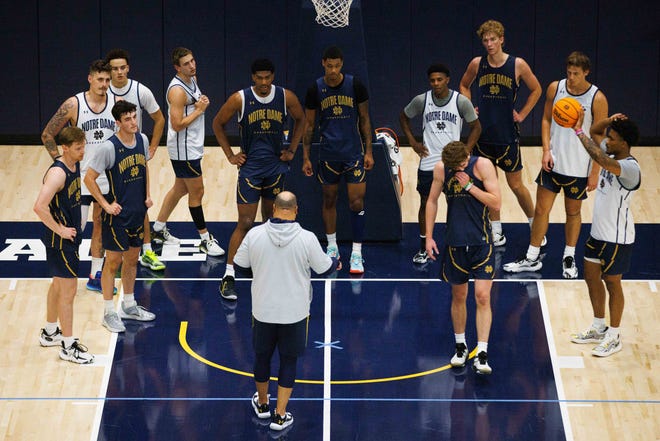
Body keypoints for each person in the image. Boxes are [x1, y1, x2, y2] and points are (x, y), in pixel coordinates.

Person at [233, 191, 339, 431]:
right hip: (295, 313)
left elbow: (239, 265)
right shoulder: (307, 238)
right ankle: (279, 416)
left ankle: (262, 405)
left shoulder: (255, 235)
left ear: (273, 209)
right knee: (288, 362)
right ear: (296, 210)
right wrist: (335, 263)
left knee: (262, 358)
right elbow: (324, 269)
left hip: (263, 311)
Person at [503, 51, 608, 278]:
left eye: (576, 74)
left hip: (579, 168)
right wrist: (546, 150)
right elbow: (546, 119)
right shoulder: (555, 88)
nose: (571, 77)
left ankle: (568, 257)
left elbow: (599, 139)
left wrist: (595, 172)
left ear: (586, 72)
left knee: (573, 213)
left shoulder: (597, 99)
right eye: (569, 73)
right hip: (554, 163)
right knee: (541, 210)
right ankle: (532, 257)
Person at [212, 58, 305, 301]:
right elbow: (217, 124)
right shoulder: (240, 98)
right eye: (259, 78)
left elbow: (302, 119)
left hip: (275, 168)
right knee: (245, 222)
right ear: (253, 78)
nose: (264, 82)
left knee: (271, 222)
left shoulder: (286, 97)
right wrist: (230, 155)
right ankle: (229, 275)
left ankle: (268, 268)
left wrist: (293, 150)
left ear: (272, 77)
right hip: (251, 170)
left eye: (267, 77)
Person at [459, 19, 542, 246]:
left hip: (507, 135)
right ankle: (496, 230)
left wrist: (523, 114)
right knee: (488, 185)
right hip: (483, 135)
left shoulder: (518, 65)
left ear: (501, 39)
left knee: (516, 186)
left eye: (493, 39)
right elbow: (464, 85)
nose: (489, 43)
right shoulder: (477, 63)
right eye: (485, 40)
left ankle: (536, 226)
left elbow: (536, 89)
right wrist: (469, 109)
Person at [41, 59, 117, 293]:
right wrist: (61, 163)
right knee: (77, 228)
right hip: (80, 177)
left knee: (101, 227)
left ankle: (95, 275)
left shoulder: (117, 102)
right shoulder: (74, 104)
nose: (104, 84)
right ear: (90, 78)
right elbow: (47, 134)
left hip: (107, 175)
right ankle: (62, 273)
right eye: (100, 79)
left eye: (107, 80)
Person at [425, 141, 501, 374]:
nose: (464, 165)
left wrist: (470, 186)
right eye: (460, 165)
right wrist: (428, 237)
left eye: (466, 160)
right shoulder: (441, 169)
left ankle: (482, 352)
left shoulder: (483, 165)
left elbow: (496, 202)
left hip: (481, 241)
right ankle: (460, 346)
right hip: (455, 242)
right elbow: (432, 201)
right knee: (458, 296)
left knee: (482, 297)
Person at [570, 111, 640, 357]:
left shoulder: (629, 168)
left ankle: (614, 334)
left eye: (612, 138)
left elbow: (597, 153)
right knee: (591, 278)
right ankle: (599, 326)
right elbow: (595, 133)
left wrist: (577, 131)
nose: (607, 140)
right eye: (608, 137)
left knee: (613, 283)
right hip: (597, 233)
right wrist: (611, 121)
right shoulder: (610, 151)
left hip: (617, 238)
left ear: (624, 142)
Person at [84, 100, 157, 333]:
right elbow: (89, 178)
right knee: (113, 263)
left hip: (137, 213)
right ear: (117, 123)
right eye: (127, 119)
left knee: (133, 260)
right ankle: (108, 312)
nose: (133, 122)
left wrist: (147, 195)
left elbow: (144, 168)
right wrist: (105, 205)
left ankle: (129, 305)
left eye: (134, 117)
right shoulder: (108, 147)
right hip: (117, 217)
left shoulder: (143, 140)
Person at [400, 63, 481, 264]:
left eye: (439, 79)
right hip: (429, 161)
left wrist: (466, 150)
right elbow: (403, 117)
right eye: (432, 80)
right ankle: (423, 246)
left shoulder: (460, 102)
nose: (436, 83)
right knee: (426, 202)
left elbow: (476, 127)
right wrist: (412, 142)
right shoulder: (422, 100)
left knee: (460, 203)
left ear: (447, 80)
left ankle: (463, 244)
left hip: (453, 162)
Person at [302, 45, 374, 274]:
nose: (333, 70)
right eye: (329, 65)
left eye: (337, 65)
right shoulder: (315, 89)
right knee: (329, 200)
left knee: (356, 203)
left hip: (353, 154)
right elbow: (309, 125)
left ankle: (356, 252)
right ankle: (332, 247)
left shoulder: (355, 85)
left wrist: (369, 151)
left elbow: (364, 119)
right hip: (328, 154)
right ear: (323, 63)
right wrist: (305, 156)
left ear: (341, 64)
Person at [151, 47, 224, 257]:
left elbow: (191, 104)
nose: (192, 65)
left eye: (192, 61)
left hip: (192, 146)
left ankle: (157, 229)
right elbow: (176, 124)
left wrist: (198, 104)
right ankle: (204, 239)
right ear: (177, 67)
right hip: (184, 150)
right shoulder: (177, 91)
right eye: (186, 64)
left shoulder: (192, 79)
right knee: (197, 192)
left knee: (180, 189)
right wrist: (200, 110)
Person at [34, 126, 95, 364]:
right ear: (65, 148)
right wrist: (60, 229)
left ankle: (50, 332)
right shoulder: (57, 174)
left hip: (66, 237)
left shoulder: (74, 164)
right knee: (68, 293)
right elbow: (39, 206)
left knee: (58, 286)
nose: (82, 152)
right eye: (78, 148)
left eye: (83, 147)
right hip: (61, 241)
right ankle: (68, 347)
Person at [105, 48, 167, 272]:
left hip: (133, 154)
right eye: (114, 68)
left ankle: (147, 251)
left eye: (122, 67)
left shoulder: (141, 90)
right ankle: (109, 259)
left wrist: (152, 147)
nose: (119, 72)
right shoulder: (103, 91)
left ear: (128, 68)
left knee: (142, 206)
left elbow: (160, 119)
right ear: (109, 71)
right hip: (111, 155)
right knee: (106, 209)